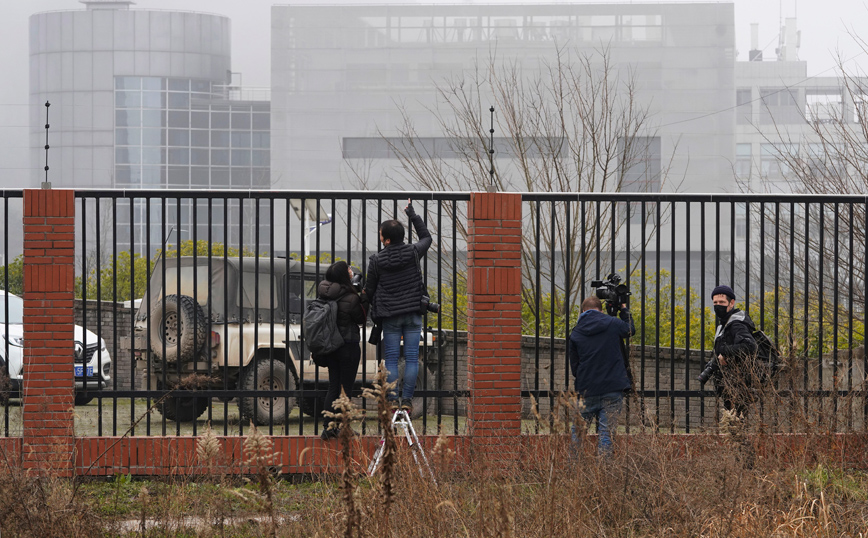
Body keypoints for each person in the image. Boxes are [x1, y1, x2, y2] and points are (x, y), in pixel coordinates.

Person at [361, 199, 432, 414]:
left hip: (390, 315)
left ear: (387, 240)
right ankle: (407, 400)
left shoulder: (376, 261)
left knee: (391, 357)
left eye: (381, 234)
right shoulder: (413, 252)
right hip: (412, 313)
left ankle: (392, 400)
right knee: (411, 357)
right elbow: (427, 238)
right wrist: (412, 214)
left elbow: (369, 290)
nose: (380, 237)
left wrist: (363, 305)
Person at [568, 295, 635, 456]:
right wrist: (624, 309)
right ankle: (605, 474)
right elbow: (630, 330)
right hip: (612, 388)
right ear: (601, 310)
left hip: (586, 390)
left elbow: (575, 368)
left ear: (583, 311)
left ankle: (573, 472)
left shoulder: (576, 332)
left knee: (577, 433)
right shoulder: (612, 323)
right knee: (606, 434)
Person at [317, 261, 367, 441]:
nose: (351, 271)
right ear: (343, 275)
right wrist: (364, 297)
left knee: (333, 386)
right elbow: (361, 318)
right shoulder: (351, 297)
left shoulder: (324, 294)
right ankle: (343, 427)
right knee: (345, 389)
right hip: (348, 345)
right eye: (348, 269)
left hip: (331, 347)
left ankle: (328, 427)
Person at [710, 285, 758, 416]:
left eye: (721, 302)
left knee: (736, 424)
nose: (717, 306)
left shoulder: (737, 323)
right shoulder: (723, 324)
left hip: (738, 384)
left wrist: (724, 352)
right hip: (730, 385)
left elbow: (750, 346)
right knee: (732, 425)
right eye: (715, 303)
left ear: (731, 303)